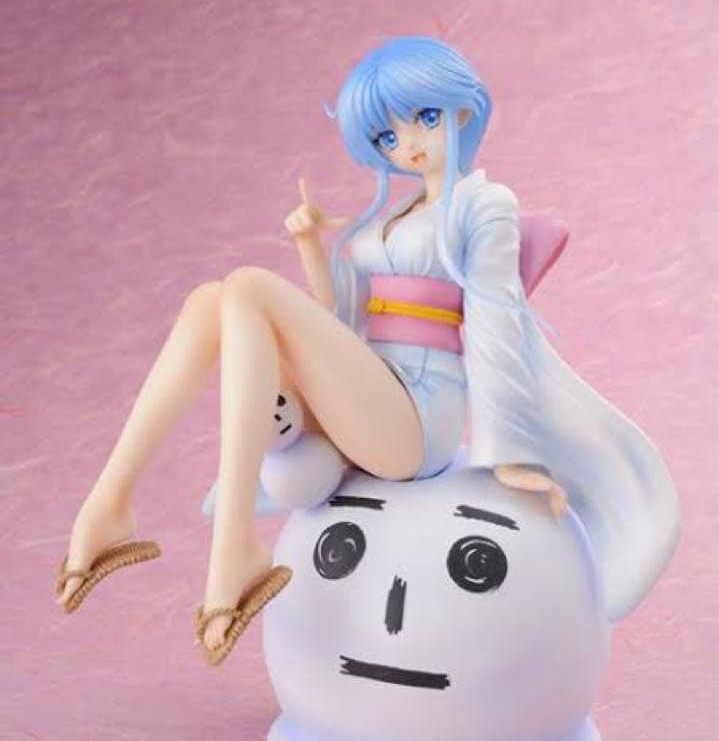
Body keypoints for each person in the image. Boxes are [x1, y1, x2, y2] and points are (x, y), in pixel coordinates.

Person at [56, 35, 677, 666]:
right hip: (372, 390)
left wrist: (507, 451)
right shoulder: (385, 221)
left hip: (418, 416)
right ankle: (109, 507)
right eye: (387, 136)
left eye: (425, 117)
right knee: (209, 301)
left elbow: (496, 322)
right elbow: (340, 327)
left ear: (463, 108)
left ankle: (233, 543)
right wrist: (309, 247)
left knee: (247, 286)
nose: (408, 143)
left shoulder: (484, 205)